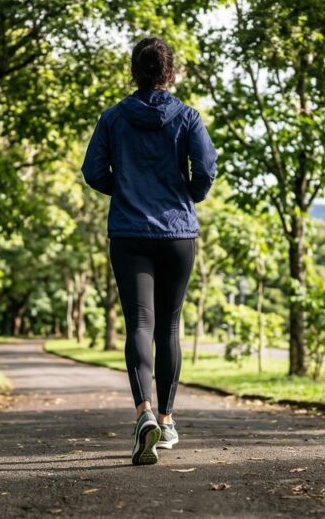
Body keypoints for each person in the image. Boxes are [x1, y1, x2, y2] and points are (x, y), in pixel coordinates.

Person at [81, 36, 218, 466]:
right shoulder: (188, 117)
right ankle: (167, 418)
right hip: (177, 234)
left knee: (139, 324)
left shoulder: (113, 118)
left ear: (134, 72)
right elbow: (207, 169)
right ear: (169, 73)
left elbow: (92, 171)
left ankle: (143, 414)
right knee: (169, 328)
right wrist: (186, 195)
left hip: (128, 233)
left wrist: (123, 190)